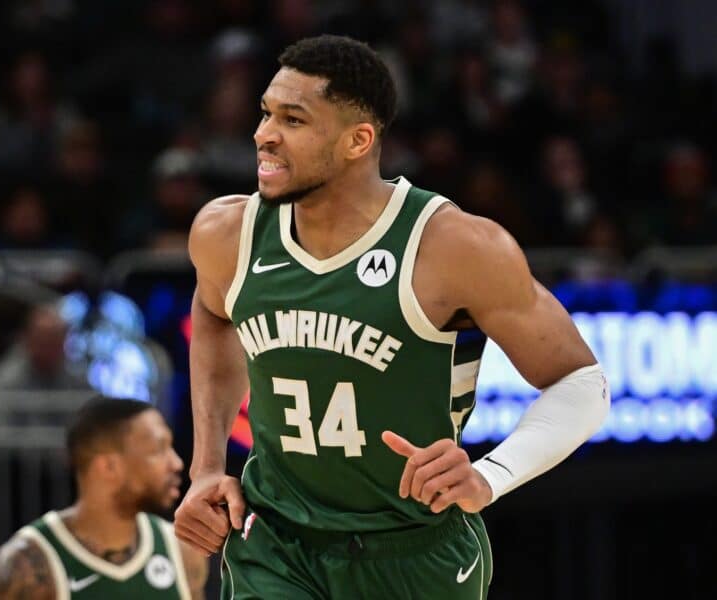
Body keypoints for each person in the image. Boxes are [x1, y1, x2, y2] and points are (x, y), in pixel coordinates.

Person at [174, 35, 609, 599]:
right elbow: (212, 314)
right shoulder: (226, 233)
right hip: (277, 542)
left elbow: (583, 383)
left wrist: (490, 476)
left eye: (293, 119)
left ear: (359, 140)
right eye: (265, 113)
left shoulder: (452, 245)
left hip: (413, 548)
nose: (263, 135)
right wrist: (206, 466)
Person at [0, 396, 208, 599]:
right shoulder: (24, 567)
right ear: (109, 467)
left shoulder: (183, 553)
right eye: (158, 450)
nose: (176, 463)